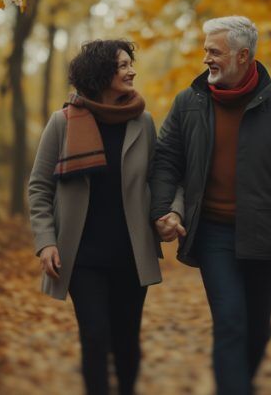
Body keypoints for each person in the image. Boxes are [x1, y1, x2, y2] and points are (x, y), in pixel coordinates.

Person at [150, 16, 271, 395]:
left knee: (258, 328)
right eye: (206, 49)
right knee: (229, 322)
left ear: (243, 56)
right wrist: (165, 209)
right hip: (212, 232)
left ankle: (239, 380)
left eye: (215, 51)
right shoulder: (188, 102)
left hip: (262, 234)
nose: (206, 57)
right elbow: (166, 161)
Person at [28, 39, 181, 395]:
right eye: (123, 65)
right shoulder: (62, 122)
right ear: (101, 73)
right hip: (81, 256)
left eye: (131, 63)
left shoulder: (142, 122)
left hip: (131, 253)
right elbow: (38, 186)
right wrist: (45, 241)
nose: (132, 71)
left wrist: (170, 211)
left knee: (127, 340)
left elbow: (161, 177)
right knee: (95, 337)